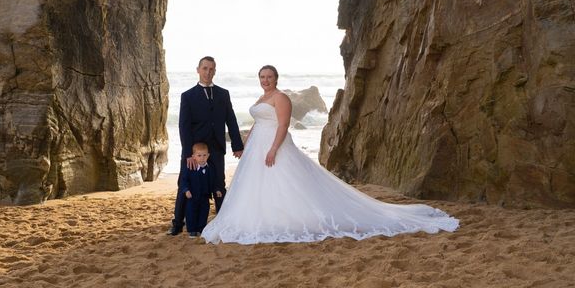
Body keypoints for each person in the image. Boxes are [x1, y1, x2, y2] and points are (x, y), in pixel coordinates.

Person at [201, 65, 459, 244]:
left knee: (286, 182)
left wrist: (273, 148)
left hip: (273, 145)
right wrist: (248, 141)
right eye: (262, 77)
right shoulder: (262, 96)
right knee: (254, 185)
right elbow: (258, 122)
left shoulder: (281, 98)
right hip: (256, 146)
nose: (265, 80)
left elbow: (282, 125)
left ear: (276, 79)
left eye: (269, 77)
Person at [167, 56, 244, 236]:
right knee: (185, 185)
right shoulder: (188, 96)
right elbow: (183, 126)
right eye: (205, 68)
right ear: (198, 70)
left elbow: (231, 121)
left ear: (215, 71)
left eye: (211, 69)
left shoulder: (223, 94)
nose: (208, 72)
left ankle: (222, 222)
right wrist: (188, 154)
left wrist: (237, 145)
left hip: (216, 149)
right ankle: (178, 224)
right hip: (195, 151)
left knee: (218, 184)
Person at [181, 142, 222, 237]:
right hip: (192, 196)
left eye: (204, 155)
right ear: (193, 156)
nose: (202, 158)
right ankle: (192, 230)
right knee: (191, 213)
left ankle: (201, 228)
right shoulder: (189, 168)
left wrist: (217, 190)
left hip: (205, 196)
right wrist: (186, 190)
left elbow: (213, 181)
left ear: (208, 155)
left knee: (204, 212)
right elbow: (184, 180)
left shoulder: (210, 168)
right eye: (199, 155)